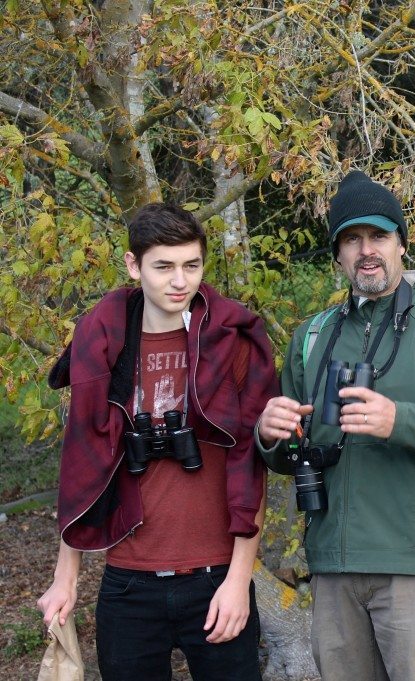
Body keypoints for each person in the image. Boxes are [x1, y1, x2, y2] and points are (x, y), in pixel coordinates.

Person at [255, 170, 415, 681]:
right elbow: (292, 454)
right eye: (352, 239)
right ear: (337, 254)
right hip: (332, 569)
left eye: (379, 236)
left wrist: (400, 420)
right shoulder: (312, 337)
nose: (366, 250)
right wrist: (270, 436)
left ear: (402, 244)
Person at [37, 203, 277, 680]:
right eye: (163, 266)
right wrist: (66, 578)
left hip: (215, 577)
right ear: (134, 266)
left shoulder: (232, 341)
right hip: (128, 583)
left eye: (191, 266)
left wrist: (238, 579)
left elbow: (252, 465)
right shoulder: (102, 343)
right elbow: (83, 465)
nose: (179, 281)